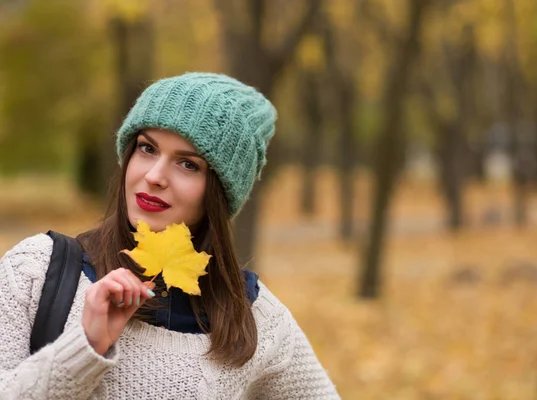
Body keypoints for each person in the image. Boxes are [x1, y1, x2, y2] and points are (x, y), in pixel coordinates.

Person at [0, 72, 340, 399]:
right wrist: (85, 346)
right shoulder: (36, 270)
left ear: (220, 193)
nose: (155, 175)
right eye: (147, 148)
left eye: (188, 164)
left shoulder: (254, 317)